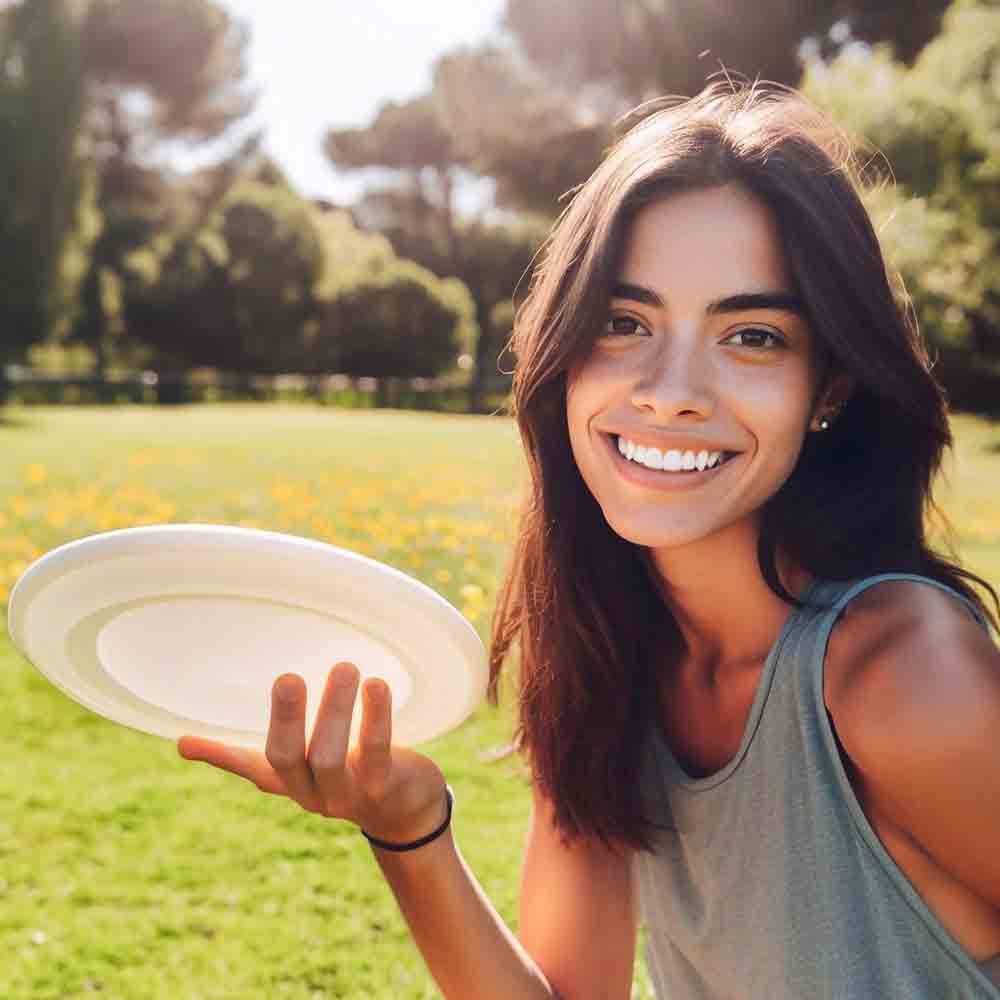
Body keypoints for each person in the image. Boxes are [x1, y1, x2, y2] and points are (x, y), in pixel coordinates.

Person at [177, 81, 1000, 999]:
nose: (670, 388)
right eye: (624, 322)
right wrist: (406, 823)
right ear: (561, 348)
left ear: (831, 390)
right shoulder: (607, 652)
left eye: (754, 334)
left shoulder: (900, 674)